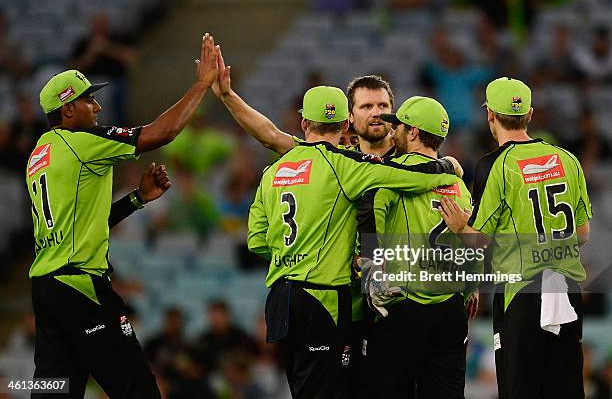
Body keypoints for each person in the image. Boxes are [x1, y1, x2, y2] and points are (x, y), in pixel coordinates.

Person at [27, 33, 219, 398]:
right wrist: (202, 84)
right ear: (68, 111)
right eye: (89, 99)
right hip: (79, 285)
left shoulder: (40, 153)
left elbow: (84, 222)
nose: (97, 107)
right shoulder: (81, 141)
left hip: (47, 288)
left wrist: (137, 199)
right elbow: (163, 133)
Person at [247, 85, 459, 398]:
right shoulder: (345, 165)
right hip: (325, 298)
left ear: (304, 123)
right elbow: (416, 178)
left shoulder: (273, 171)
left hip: (281, 300)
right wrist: (448, 167)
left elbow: (257, 241)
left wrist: (295, 254)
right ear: (347, 123)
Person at [439, 77, 592, 398]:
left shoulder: (494, 164)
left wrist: (459, 228)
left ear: (490, 115)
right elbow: (582, 234)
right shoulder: (568, 159)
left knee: (520, 388)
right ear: (531, 114)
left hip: (521, 292)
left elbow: (480, 241)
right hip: (567, 289)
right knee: (565, 388)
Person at [357, 96, 481, 398]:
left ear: (412, 132)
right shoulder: (458, 185)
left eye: (397, 126)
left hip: (403, 305)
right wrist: (470, 287)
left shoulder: (392, 175)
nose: (392, 132)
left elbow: (372, 220)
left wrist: (372, 269)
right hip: (451, 310)